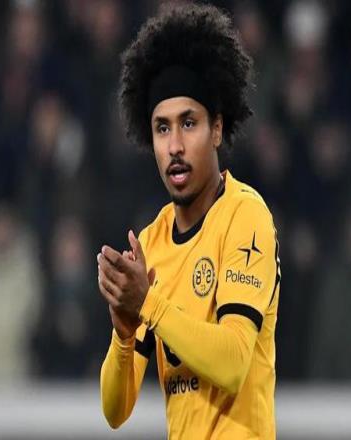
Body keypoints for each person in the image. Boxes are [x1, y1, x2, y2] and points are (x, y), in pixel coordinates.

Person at [97, 4, 280, 439]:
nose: (175, 145)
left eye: (189, 123)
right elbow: (115, 411)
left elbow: (233, 363)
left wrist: (149, 304)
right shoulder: (152, 242)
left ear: (216, 129)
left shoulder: (244, 214)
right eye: (162, 128)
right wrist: (123, 335)